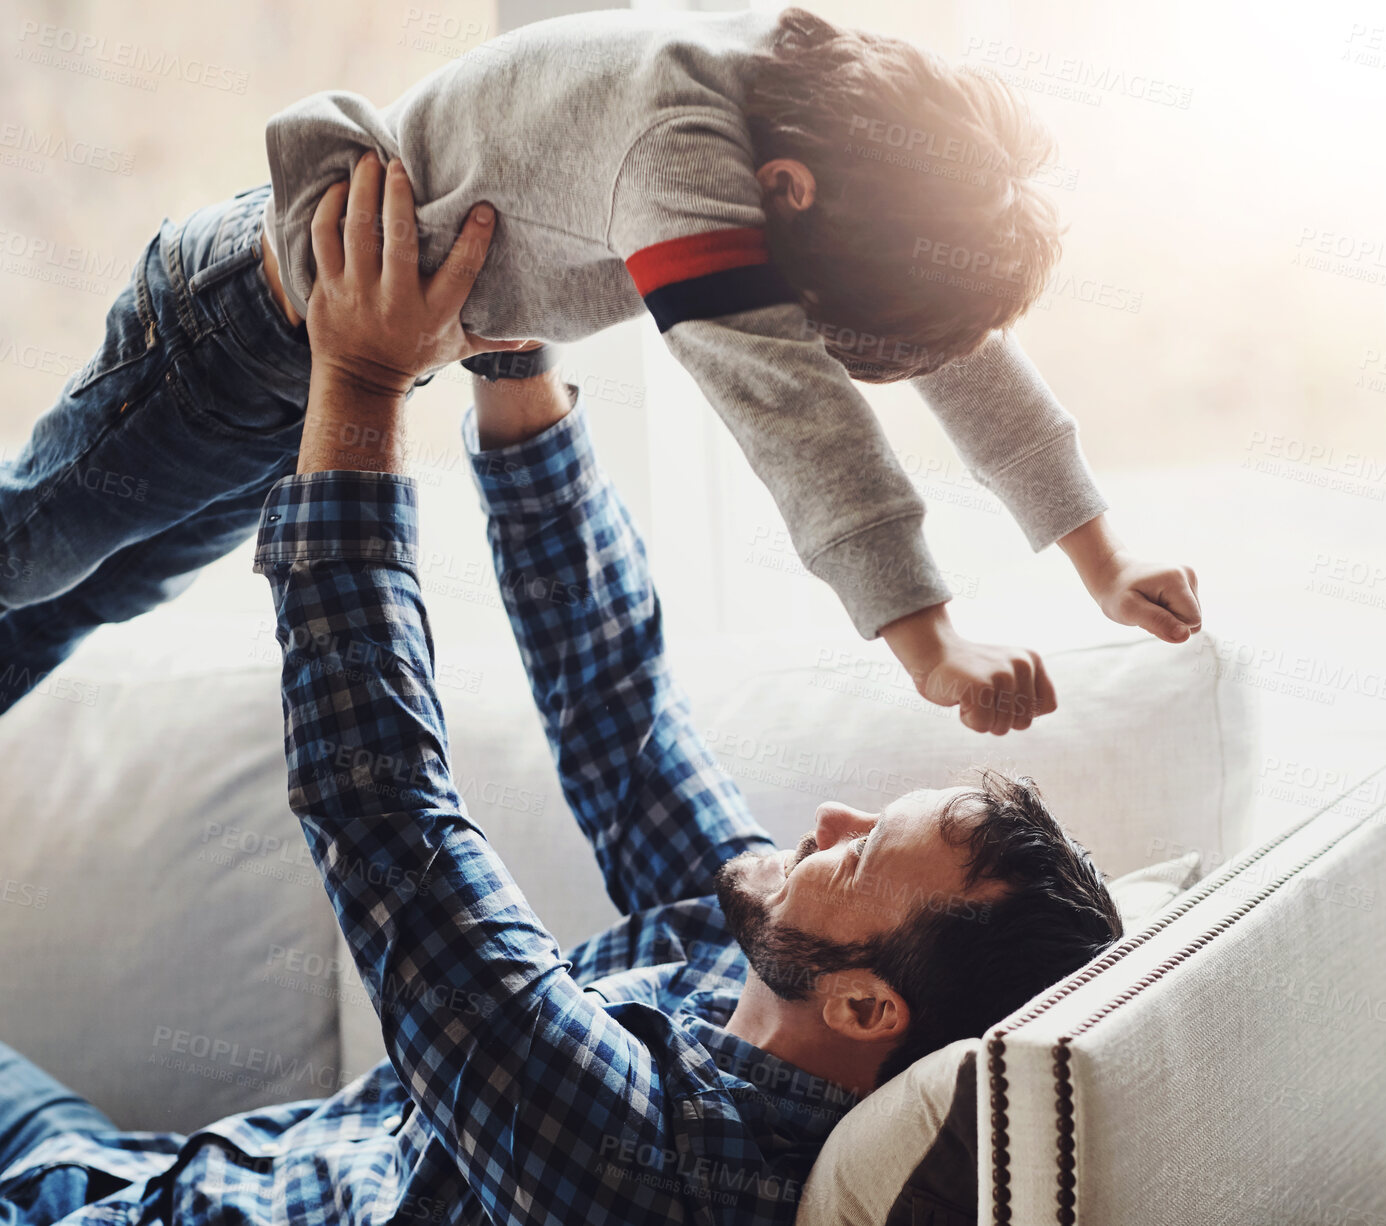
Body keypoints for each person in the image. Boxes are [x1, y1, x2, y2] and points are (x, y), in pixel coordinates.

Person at [0, 156, 1123, 1226]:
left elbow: (384, 817)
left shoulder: (645, 1173)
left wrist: (362, 380)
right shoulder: (763, 961)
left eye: (860, 853)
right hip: (131, 1160)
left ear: (867, 1009)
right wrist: (511, 346)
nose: (826, 822)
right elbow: (616, 713)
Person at [0, 5, 1201, 732]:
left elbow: (955, 342)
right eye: (826, 312)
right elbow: (793, 412)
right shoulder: (682, 151)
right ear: (787, 197)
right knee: (31, 552)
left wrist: (1098, 555)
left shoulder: (826, 105)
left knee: (90, 591)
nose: (815, 329)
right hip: (227, 335)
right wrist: (929, 644)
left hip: (318, 363)